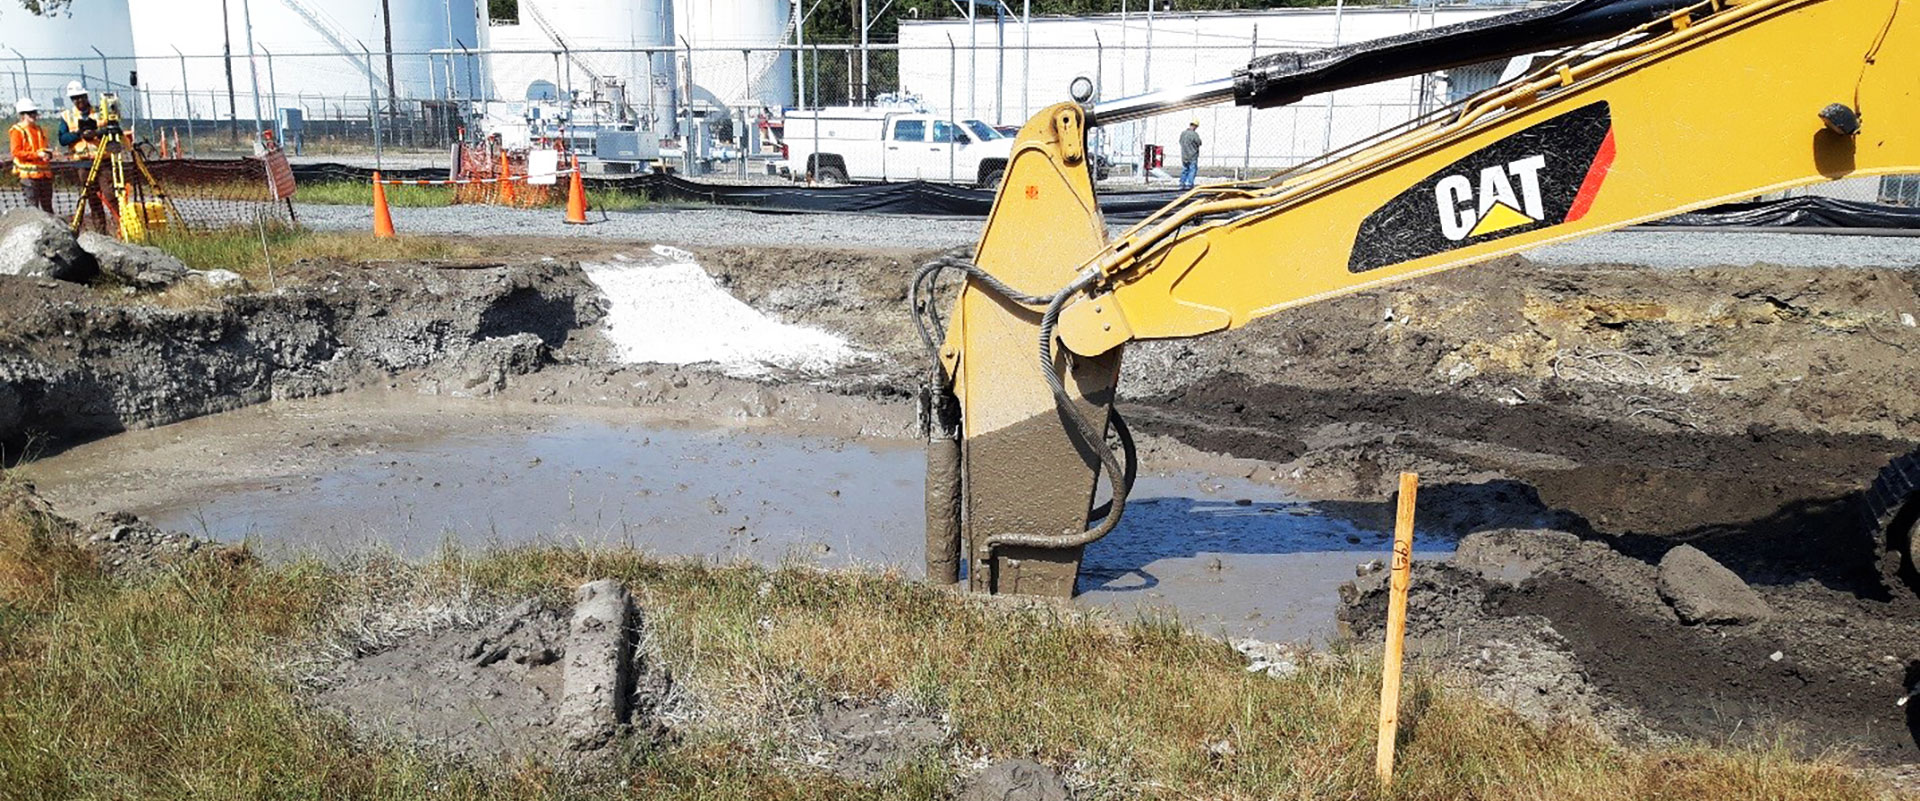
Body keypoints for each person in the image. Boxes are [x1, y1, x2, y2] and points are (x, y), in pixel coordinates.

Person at [10, 98, 54, 214]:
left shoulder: (39, 130)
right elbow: (16, 152)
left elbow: (43, 147)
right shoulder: (18, 131)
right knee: (33, 209)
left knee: (48, 210)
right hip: (29, 177)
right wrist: (37, 155)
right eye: (30, 113)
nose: (33, 115)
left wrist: (48, 154)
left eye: (34, 112)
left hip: (44, 175)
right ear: (22, 115)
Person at [1178, 120, 1202, 190]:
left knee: (1185, 169)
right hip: (1192, 155)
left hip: (1184, 155)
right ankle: (1189, 184)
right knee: (1192, 170)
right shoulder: (1194, 134)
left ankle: (1182, 183)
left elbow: (1180, 142)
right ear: (1195, 126)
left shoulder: (1183, 133)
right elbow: (1199, 143)